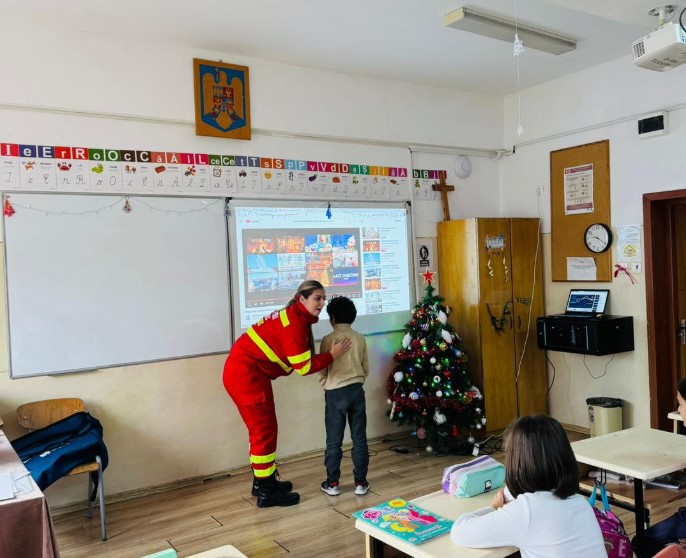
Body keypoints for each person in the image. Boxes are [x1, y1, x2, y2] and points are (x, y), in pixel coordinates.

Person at [223, 280, 352, 508]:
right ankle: (266, 492)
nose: (322, 303)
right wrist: (333, 354)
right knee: (263, 432)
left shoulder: (295, 316)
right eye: (317, 298)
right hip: (246, 376)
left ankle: (264, 481)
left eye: (323, 298)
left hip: (248, 374)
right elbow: (303, 367)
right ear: (301, 299)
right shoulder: (293, 324)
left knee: (265, 430)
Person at [450, 414, 606, 558]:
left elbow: (459, 532)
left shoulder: (527, 511)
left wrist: (494, 508)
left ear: (518, 463)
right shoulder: (580, 502)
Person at [318, 296, 370, 497]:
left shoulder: (328, 340)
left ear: (332, 318)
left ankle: (332, 483)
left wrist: (326, 383)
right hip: (357, 390)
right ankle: (360, 482)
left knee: (334, 441)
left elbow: (322, 367)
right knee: (359, 439)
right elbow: (366, 368)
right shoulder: (360, 338)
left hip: (334, 393)